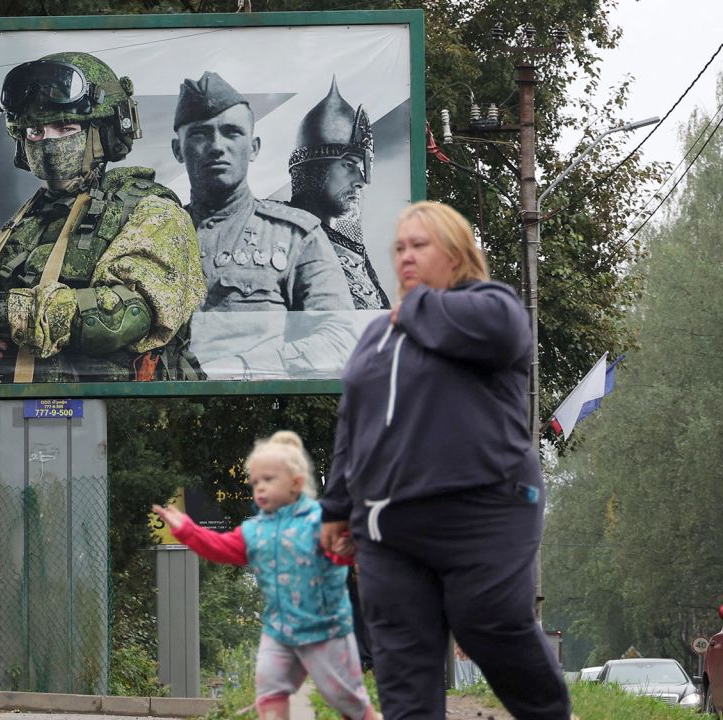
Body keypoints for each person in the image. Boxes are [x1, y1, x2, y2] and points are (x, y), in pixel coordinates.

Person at [319, 201, 571, 719]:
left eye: (420, 246)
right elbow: (353, 423)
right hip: (390, 531)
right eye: (399, 249)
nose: (405, 258)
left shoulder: (492, 306)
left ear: (457, 254)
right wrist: (336, 508)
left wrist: (413, 307)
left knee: (488, 618)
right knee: (403, 670)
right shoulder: (376, 336)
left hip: (484, 512)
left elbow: (500, 335)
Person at [0, 51, 205, 383]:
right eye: (34, 132)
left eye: (64, 127)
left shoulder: (150, 211)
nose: (48, 142)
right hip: (16, 415)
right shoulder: (26, 222)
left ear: (103, 132)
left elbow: (124, 317)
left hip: (118, 414)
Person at [153, 431, 379, 720]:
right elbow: (220, 547)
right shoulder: (255, 531)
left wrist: (349, 549)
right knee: (269, 694)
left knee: (348, 702)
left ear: (296, 483)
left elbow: (346, 549)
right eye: (255, 482)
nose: (259, 488)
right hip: (279, 633)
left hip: (327, 632)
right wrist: (186, 530)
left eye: (269, 479)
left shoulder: (321, 521)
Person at [171, 71, 355, 379]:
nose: (217, 146)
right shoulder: (152, 233)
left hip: (255, 409)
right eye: (200, 134)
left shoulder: (295, 235)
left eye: (232, 133)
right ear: (178, 150)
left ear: (254, 147)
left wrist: (243, 367)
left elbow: (342, 340)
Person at [288, 79, 391, 311]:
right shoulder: (280, 236)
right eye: (348, 165)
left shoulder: (352, 251)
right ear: (315, 168)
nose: (361, 182)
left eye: (361, 169)